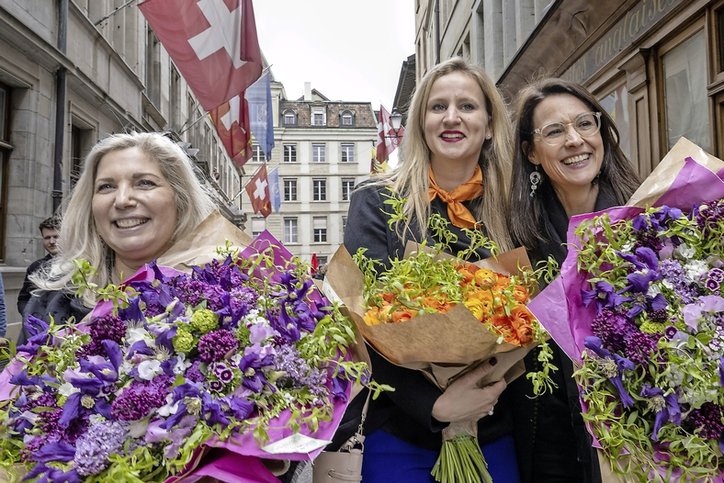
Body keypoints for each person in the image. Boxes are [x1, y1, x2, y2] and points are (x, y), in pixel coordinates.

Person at [340, 57, 518, 482]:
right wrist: (435, 406)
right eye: (438, 107)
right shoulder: (378, 201)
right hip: (404, 432)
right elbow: (361, 322)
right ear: (421, 123)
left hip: (499, 427)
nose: (452, 117)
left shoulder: (516, 204)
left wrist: (482, 391)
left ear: (490, 124)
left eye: (467, 106)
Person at [508, 77, 641, 483]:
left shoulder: (646, 218)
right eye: (554, 131)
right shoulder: (516, 239)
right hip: (549, 443)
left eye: (585, 123)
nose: (575, 139)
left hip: (638, 434)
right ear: (531, 151)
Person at [20, 132, 216, 342]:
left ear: (180, 199)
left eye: (145, 183)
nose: (122, 200)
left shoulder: (222, 295)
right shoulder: (49, 302)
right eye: (107, 186)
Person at [17, 216, 61, 316]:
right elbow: (23, 299)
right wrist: (30, 317)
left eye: (56, 237)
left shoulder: (78, 264)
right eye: (47, 238)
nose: (52, 242)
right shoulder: (35, 267)